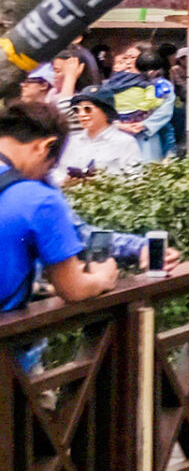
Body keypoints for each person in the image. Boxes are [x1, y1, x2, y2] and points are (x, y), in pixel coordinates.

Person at [1, 101, 134, 327]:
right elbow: (73, 289)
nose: (47, 176)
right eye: (50, 167)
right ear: (46, 147)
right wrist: (103, 278)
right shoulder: (39, 199)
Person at [57, 90, 145, 181]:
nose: (81, 114)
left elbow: (135, 178)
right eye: (77, 110)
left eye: (87, 109)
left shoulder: (125, 142)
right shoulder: (71, 141)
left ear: (106, 111)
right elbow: (59, 172)